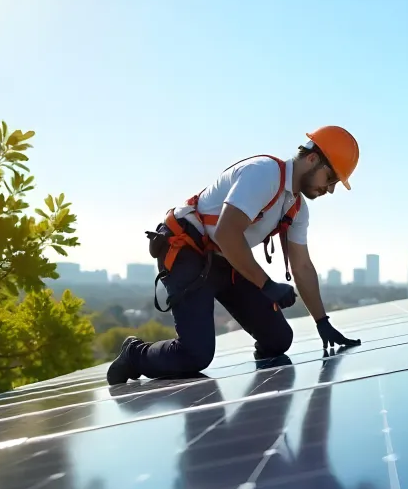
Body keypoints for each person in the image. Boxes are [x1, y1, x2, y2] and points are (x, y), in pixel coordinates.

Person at [106, 126, 362, 386]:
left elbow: (303, 266)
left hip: (225, 259)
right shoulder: (263, 174)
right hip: (189, 251)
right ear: (312, 159)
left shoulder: (296, 207)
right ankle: (134, 354)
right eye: (330, 179)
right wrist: (267, 285)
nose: (330, 190)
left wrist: (322, 322)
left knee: (278, 339)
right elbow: (227, 233)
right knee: (195, 355)